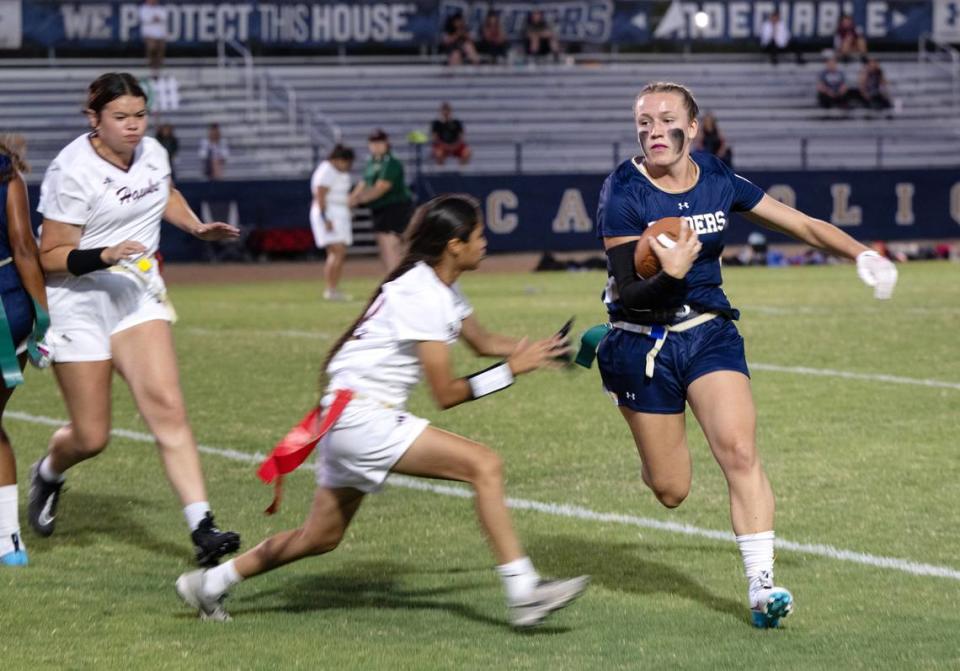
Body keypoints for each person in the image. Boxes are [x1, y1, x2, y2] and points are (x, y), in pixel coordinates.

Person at [175, 194, 589, 627]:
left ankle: (208, 584)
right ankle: (523, 590)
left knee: (320, 537)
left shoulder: (437, 284)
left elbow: (482, 341)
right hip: (362, 416)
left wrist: (535, 350)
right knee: (484, 465)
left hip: (345, 414)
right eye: (479, 235)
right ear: (453, 245)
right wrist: (509, 372)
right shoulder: (423, 293)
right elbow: (445, 394)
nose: (485, 242)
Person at [592, 81, 897, 628]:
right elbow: (627, 288)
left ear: (694, 125)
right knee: (671, 490)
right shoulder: (623, 191)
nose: (652, 131)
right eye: (643, 122)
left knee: (738, 450)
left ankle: (761, 587)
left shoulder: (716, 176)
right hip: (640, 342)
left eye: (665, 119)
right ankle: (643, 431)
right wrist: (671, 274)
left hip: (709, 331)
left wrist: (862, 253)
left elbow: (799, 223)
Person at [28, 72, 242, 567]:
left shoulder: (152, 152)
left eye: (139, 115)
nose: (133, 126)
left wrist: (194, 225)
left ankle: (202, 527)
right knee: (92, 436)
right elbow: (50, 256)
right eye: (120, 117)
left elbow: (160, 191)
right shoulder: (71, 170)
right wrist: (104, 254)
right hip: (76, 302)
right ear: (94, 119)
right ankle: (51, 471)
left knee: (167, 407)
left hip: (135, 293)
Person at [0, 137, 49, 567]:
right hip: (10, 304)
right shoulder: (6, 173)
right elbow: (22, 248)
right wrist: (43, 318)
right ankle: (9, 540)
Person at [349, 129, 413, 272]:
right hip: (379, 207)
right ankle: (392, 274)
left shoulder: (391, 161)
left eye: (380, 142)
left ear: (386, 143)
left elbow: (382, 188)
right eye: (373, 142)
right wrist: (352, 198)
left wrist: (358, 200)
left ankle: (397, 275)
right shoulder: (371, 161)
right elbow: (364, 182)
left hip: (395, 206)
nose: (376, 145)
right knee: (383, 241)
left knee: (391, 242)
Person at [309, 144, 355, 301]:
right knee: (337, 251)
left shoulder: (335, 171)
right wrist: (325, 218)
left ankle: (333, 288)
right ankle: (331, 289)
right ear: (339, 159)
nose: (348, 166)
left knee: (338, 252)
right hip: (330, 214)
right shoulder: (327, 170)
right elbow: (320, 195)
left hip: (337, 213)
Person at [431, 102, 472, 166]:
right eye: (444, 110)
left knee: (467, 152)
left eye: (447, 110)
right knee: (438, 153)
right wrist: (445, 146)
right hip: (442, 146)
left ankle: (462, 170)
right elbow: (435, 138)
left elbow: (461, 137)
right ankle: (440, 170)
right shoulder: (436, 123)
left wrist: (454, 146)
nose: (446, 112)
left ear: (450, 111)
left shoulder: (456, 122)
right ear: (441, 112)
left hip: (455, 146)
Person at [139, 0, 168, 73]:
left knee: (160, 51)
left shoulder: (160, 8)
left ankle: (159, 69)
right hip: (150, 34)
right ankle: (151, 66)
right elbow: (145, 18)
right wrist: (154, 18)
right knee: (152, 49)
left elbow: (164, 17)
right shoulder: (144, 8)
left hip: (160, 35)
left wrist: (155, 18)